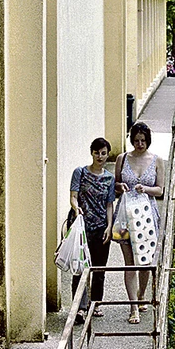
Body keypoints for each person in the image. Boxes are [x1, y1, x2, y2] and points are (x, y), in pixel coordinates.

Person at [115, 122, 163, 324]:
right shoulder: (122, 158)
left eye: (143, 141)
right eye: (136, 141)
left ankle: (141, 294)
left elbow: (160, 190)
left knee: (145, 262)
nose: (139, 144)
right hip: (125, 215)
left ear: (148, 141)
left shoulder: (157, 160)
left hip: (147, 215)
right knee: (129, 264)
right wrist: (120, 186)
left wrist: (146, 189)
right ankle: (133, 307)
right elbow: (115, 186)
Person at [69, 137, 116, 324]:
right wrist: (75, 208)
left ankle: (96, 303)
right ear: (92, 153)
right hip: (82, 228)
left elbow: (109, 204)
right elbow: (73, 196)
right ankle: (79, 307)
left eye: (103, 153)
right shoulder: (79, 173)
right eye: (97, 152)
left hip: (101, 227)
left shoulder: (109, 178)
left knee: (99, 268)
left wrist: (109, 226)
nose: (100, 156)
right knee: (79, 268)